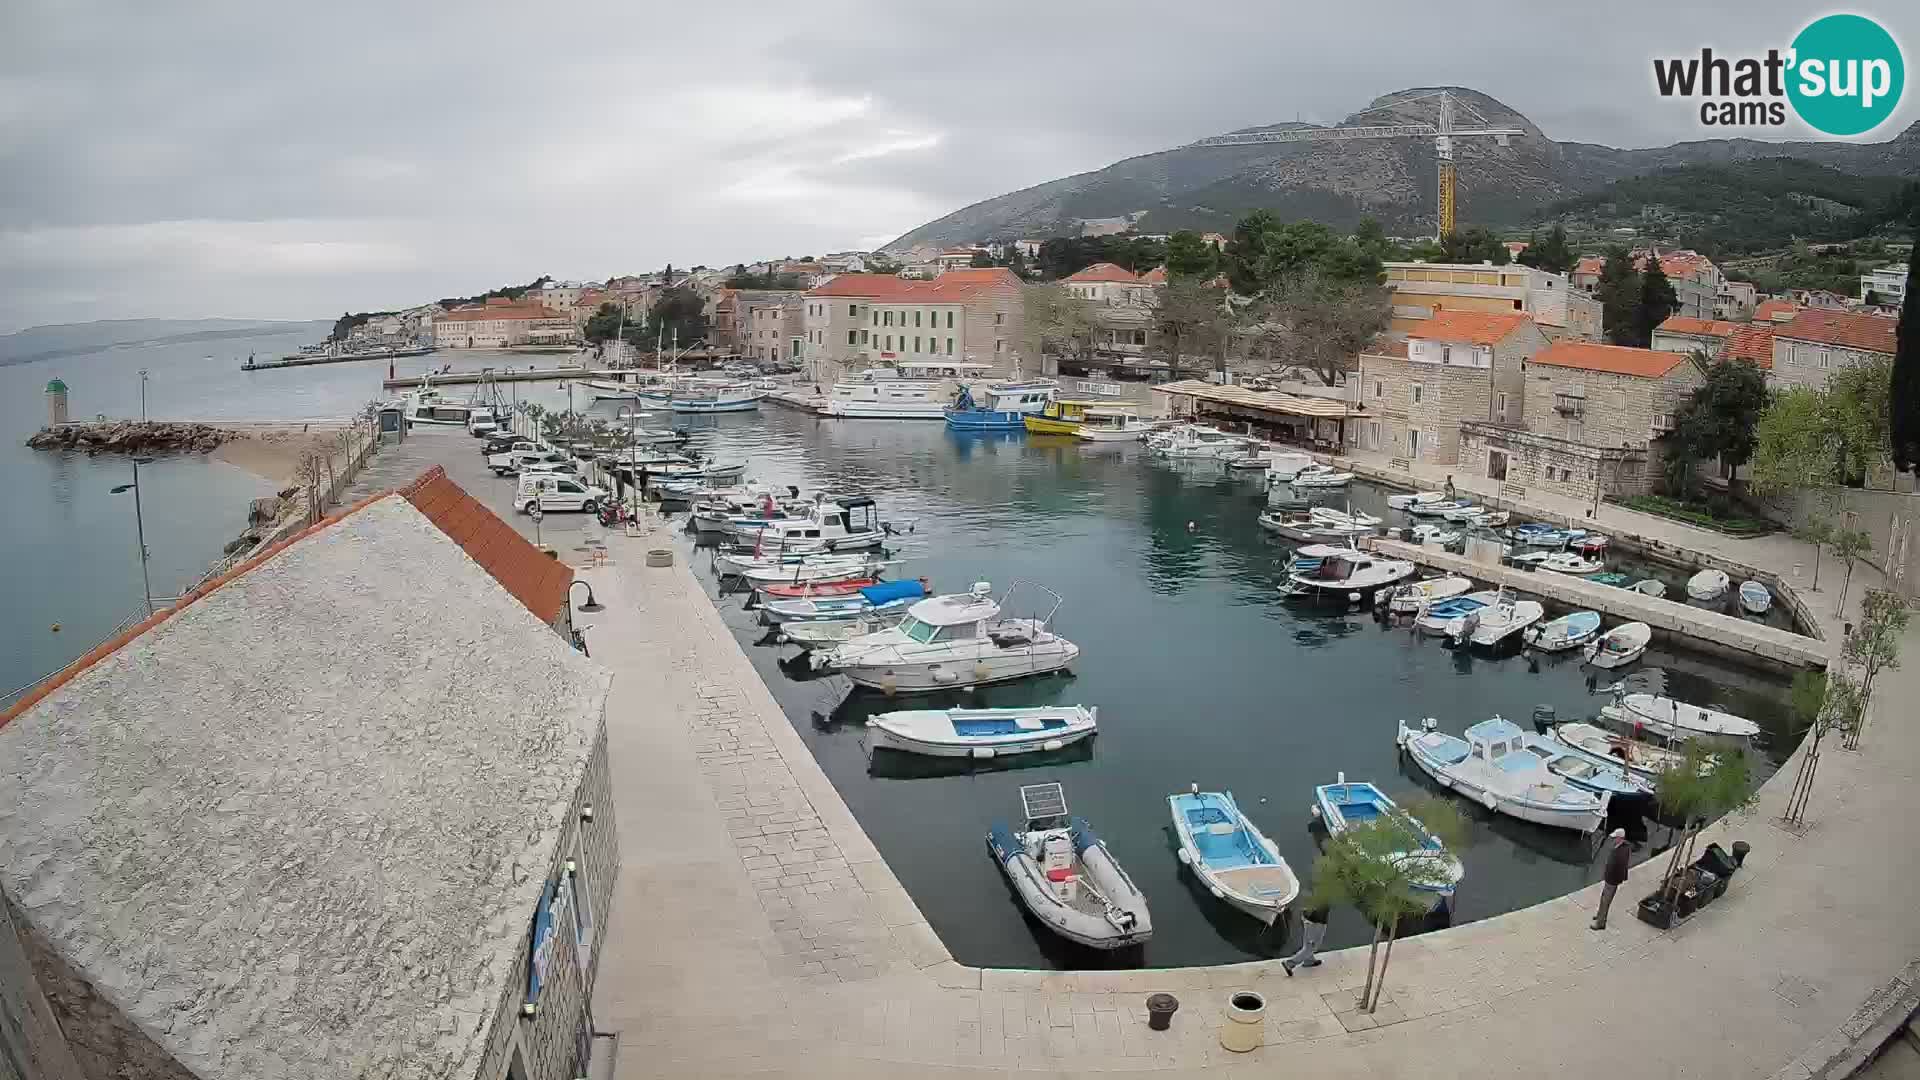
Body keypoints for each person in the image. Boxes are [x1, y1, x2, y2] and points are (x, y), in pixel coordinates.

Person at [1592, 828, 1631, 930]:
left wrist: (1617, 879)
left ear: (1620, 838)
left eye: (1615, 838)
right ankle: (1599, 915)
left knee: (1605, 901)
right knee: (1603, 898)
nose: (1613, 839)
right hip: (1609, 878)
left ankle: (1600, 923)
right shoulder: (1621, 846)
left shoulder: (1622, 852)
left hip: (1612, 880)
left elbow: (1621, 867)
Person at [1282, 901, 1330, 974]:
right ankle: (1289, 963)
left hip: (1307, 916)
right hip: (1317, 921)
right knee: (1313, 946)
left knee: (1308, 944)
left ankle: (1309, 960)